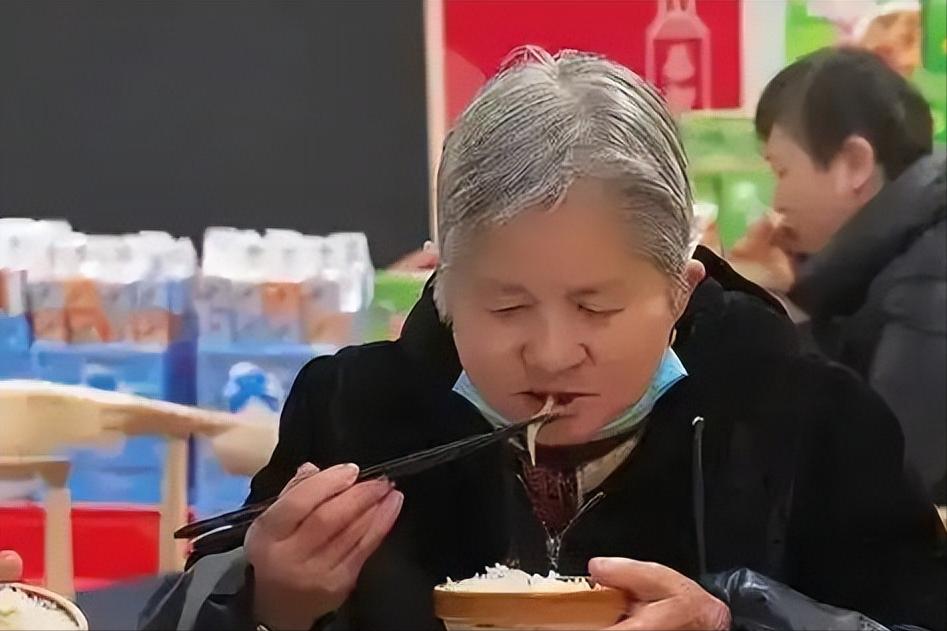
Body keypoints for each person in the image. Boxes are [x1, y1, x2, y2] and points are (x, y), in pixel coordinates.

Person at [141, 48, 946, 631]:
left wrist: (737, 618)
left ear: (679, 289)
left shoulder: (807, 416)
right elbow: (189, 603)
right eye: (505, 306)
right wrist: (269, 603)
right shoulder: (353, 411)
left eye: (595, 307)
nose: (552, 352)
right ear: (444, 286)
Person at [735, 47, 946, 504]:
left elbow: (889, 482)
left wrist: (783, 313)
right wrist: (790, 297)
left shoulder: (930, 281)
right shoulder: (895, 257)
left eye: (782, 171)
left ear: (854, 164)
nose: (778, 200)